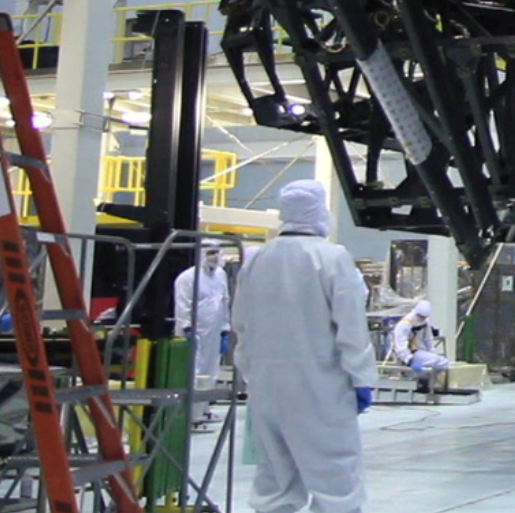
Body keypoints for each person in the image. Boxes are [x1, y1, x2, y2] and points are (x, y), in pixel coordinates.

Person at [230, 181, 376, 513]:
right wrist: (361, 377)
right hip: (320, 387)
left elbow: (241, 324)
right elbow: (351, 326)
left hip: (267, 388)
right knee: (335, 478)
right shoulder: (331, 257)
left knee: (275, 480)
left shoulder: (256, 259)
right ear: (317, 210)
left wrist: (251, 373)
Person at [173, 242, 230, 412]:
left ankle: (204, 409)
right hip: (194, 333)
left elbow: (224, 301)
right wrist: (187, 328)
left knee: (211, 369)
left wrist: (225, 329)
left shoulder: (221, 275)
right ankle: (189, 412)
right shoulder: (187, 278)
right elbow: (182, 305)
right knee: (193, 371)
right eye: (211, 252)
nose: (215, 257)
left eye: (217, 252)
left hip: (214, 333)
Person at [390, 300, 451, 381]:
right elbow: (401, 347)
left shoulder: (425, 322)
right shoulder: (404, 324)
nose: (422, 319)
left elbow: (428, 340)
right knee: (441, 362)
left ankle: (424, 379)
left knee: (440, 362)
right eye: (421, 317)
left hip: (420, 352)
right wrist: (410, 361)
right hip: (411, 355)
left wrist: (432, 353)